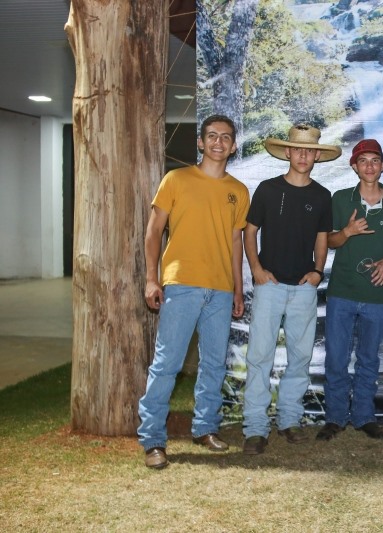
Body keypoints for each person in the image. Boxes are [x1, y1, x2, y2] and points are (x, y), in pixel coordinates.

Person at [138, 114, 250, 469]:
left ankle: (205, 428)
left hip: (220, 290)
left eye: (226, 137)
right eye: (212, 136)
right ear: (201, 142)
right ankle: (153, 439)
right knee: (167, 365)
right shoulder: (176, 179)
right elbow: (153, 231)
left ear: (233, 146)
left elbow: (235, 242)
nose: (219, 142)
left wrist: (237, 288)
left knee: (214, 364)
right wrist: (151, 278)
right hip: (181, 284)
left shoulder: (239, 191)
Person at [241, 124, 341, 455]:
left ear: (317, 156)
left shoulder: (322, 196)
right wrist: (256, 269)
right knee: (259, 357)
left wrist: (317, 271)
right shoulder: (267, 189)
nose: (303, 155)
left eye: (309, 151)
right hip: (269, 286)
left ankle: (289, 420)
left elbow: (322, 238)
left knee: (300, 357)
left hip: (303, 288)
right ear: (287, 152)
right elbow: (250, 231)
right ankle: (255, 427)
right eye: (297, 149)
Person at [316, 139, 383, 442]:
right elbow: (329, 241)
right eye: (363, 160)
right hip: (342, 291)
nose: (369, 166)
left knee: (369, 358)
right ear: (354, 166)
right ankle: (335, 417)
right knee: (336, 357)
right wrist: (347, 232)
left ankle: (364, 416)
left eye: (374, 160)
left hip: (376, 294)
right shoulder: (340, 199)